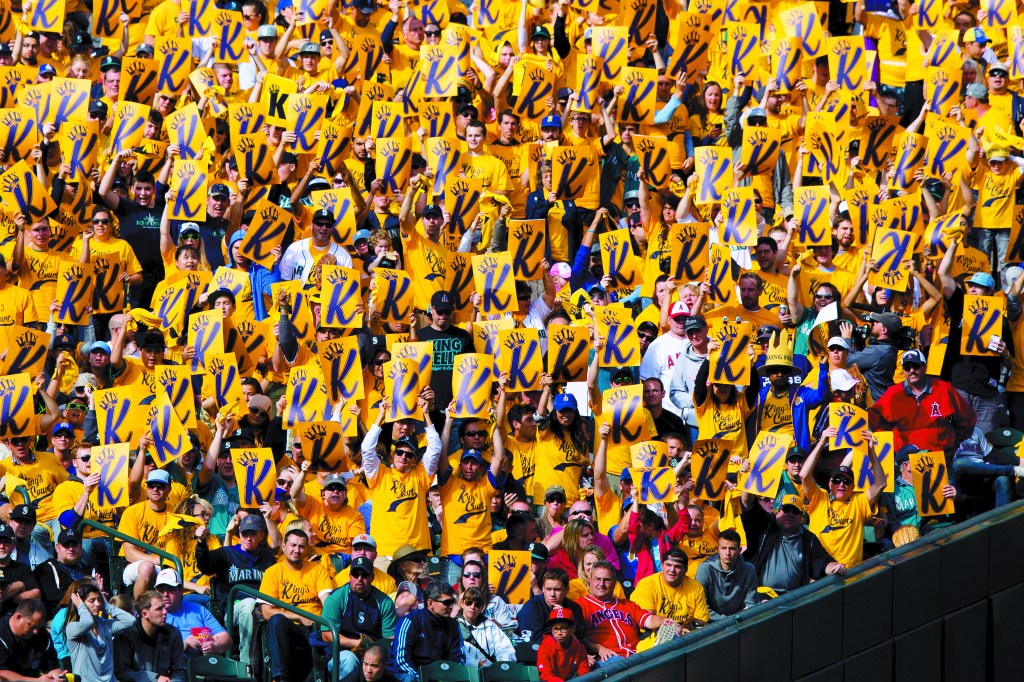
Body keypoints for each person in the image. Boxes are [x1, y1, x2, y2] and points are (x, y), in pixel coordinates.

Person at [869, 349, 978, 463]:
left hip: (942, 459)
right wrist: (890, 442)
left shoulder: (944, 389)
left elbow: (967, 418)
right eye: (907, 367)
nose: (912, 371)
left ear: (925, 367)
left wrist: (953, 442)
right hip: (907, 463)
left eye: (916, 366)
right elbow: (874, 418)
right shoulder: (893, 393)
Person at [800, 428, 886, 568]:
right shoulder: (819, 498)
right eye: (837, 481)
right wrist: (822, 442)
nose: (841, 484)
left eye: (846, 482)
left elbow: (881, 484)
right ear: (829, 484)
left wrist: (871, 451)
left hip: (849, 574)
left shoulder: (858, 502)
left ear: (852, 487)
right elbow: (804, 475)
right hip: (821, 571)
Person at [259, 529, 335, 682]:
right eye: (293, 545)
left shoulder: (317, 570)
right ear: (284, 546)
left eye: (302, 546)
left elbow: (327, 603)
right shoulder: (272, 572)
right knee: (276, 620)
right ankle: (280, 678)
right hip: (289, 629)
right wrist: (299, 616)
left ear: (307, 549)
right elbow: (266, 612)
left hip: (315, 627)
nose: (297, 550)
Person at [740, 492, 845, 594]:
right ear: (779, 511)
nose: (790, 514)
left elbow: (822, 561)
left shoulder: (808, 539)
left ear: (801, 516)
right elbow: (747, 502)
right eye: (786, 509)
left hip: (792, 600)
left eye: (795, 511)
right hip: (759, 596)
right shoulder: (765, 525)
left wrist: (835, 567)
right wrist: (748, 477)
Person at [576, 561, 679, 661]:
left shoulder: (627, 605)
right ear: (590, 581)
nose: (601, 584)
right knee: (616, 662)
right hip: (609, 657)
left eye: (607, 580)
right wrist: (598, 648)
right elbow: (574, 637)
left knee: (673, 636)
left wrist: (666, 621)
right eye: (597, 579)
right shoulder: (579, 606)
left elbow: (649, 620)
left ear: (615, 583)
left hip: (636, 652)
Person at [321, 556, 398, 682]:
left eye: (365, 575)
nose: (359, 579)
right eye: (355, 575)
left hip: (373, 653)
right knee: (350, 659)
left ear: (372, 577)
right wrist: (355, 643)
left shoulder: (384, 602)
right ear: (350, 576)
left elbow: (390, 638)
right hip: (341, 652)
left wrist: (373, 649)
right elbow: (327, 634)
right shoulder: (336, 597)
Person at [389, 580, 465, 682]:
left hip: (438, 675)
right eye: (447, 603)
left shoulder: (453, 625)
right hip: (407, 674)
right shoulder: (410, 621)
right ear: (430, 603)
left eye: (452, 602)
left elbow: (458, 659)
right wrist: (421, 679)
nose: (451, 606)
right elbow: (401, 660)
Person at [63, 582, 136, 682]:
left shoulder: (105, 625)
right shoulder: (72, 627)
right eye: (92, 601)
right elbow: (88, 622)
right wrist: (80, 607)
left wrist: (106, 606)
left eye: (99, 599)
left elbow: (130, 621)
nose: (97, 604)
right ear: (80, 604)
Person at [155, 568, 232, 658]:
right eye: (161, 590)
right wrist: (184, 644)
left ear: (180, 590)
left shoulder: (198, 610)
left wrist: (214, 646)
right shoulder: (152, 614)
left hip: (203, 664)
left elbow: (225, 638)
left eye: (170, 589)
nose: (165, 594)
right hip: (172, 666)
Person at [113, 590, 187, 682]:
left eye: (164, 607)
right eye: (159, 608)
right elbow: (121, 672)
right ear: (144, 614)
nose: (165, 612)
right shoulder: (125, 636)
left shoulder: (173, 634)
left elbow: (179, 670)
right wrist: (154, 679)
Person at [630, 549, 710, 633]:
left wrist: (683, 629)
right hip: (653, 634)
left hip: (686, 633)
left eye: (677, 566)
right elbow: (645, 622)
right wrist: (672, 630)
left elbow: (701, 621)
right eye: (668, 565)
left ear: (685, 570)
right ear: (662, 565)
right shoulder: (647, 585)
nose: (672, 570)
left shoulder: (696, 587)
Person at [694, 530, 758, 621]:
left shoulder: (749, 570)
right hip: (710, 624)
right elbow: (700, 606)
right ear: (717, 550)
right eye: (723, 548)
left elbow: (751, 604)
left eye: (732, 548)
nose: (727, 553)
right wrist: (726, 620)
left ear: (739, 550)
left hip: (739, 622)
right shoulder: (705, 569)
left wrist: (738, 619)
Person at [34, 528, 95, 618]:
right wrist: (90, 594)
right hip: (60, 621)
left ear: (80, 548)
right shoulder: (45, 569)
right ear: (57, 548)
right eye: (66, 545)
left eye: (75, 545)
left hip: (92, 620)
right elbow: (53, 597)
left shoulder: (90, 571)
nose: (71, 548)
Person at [516, 569, 586, 644]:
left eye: (557, 590)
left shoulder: (575, 608)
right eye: (548, 589)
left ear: (567, 590)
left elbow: (580, 640)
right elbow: (535, 641)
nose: (552, 594)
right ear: (543, 588)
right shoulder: (532, 607)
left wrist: (565, 618)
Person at [456, 586, 516, 668]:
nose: (473, 607)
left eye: (477, 604)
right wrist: (476, 664)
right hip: (465, 673)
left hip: (490, 673)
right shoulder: (454, 626)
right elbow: (453, 655)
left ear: (481, 607)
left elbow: (505, 648)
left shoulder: (490, 625)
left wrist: (500, 665)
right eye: (469, 602)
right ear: (462, 604)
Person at [537, 607, 591, 682]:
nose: (559, 633)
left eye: (563, 628)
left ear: (572, 629)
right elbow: (546, 674)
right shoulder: (545, 647)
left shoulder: (580, 649)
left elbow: (584, 673)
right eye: (555, 629)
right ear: (551, 630)